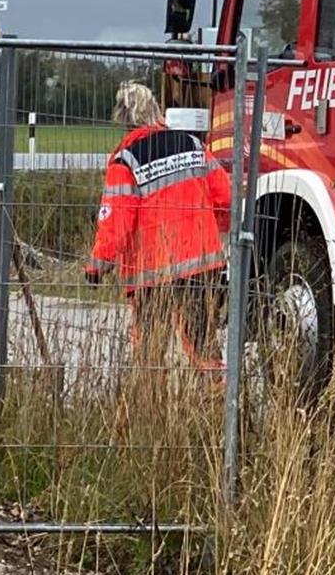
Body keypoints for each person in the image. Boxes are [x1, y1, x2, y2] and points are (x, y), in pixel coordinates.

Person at [85, 81, 231, 369]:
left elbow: (117, 223)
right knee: (203, 343)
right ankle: (217, 402)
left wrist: (97, 267)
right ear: (155, 109)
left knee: (150, 349)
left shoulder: (126, 161)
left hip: (153, 275)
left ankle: (151, 403)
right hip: (202, 265)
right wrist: (212, 233)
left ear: (122, 117)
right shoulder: (192, 144)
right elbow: (225, 197)